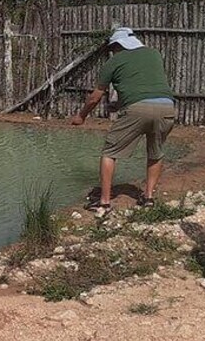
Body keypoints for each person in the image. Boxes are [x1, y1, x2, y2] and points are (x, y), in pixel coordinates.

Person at [71, 27, 175, 215]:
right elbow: (145, 87)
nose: (113, 51)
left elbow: (95, 97)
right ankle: (149, 198)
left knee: (109, 152)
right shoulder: (154, 54)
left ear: (118, 45)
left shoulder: (114, 61)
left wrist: (81, 116)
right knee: (156, 152)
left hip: (136, 110)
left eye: (114, 48)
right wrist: (119, 105)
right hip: (167, 107)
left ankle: (104, 203)